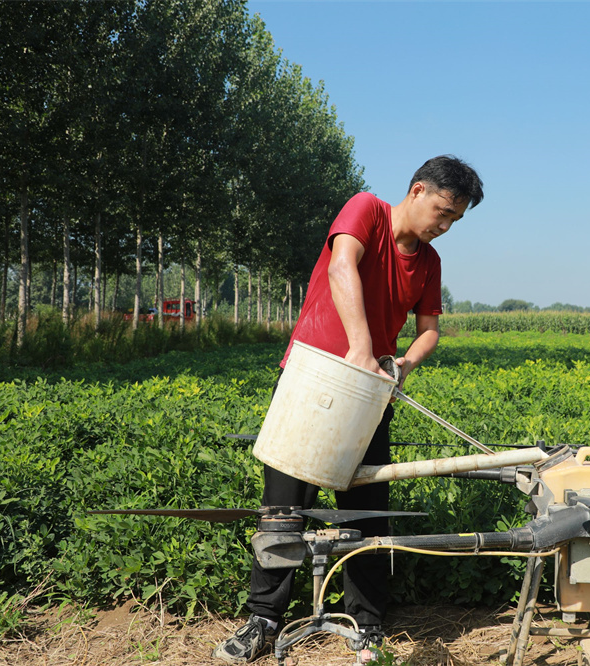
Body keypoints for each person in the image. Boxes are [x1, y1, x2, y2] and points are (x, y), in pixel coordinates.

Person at [214, 155, 484, 664]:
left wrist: (402, 363)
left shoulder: (428, 262)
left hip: (370, 392)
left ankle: (367, 622)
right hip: (314, 379)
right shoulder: (366, 210)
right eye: (443, 212)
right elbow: (342, 265)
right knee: (283, 508)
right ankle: (263, 620)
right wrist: (360, 347)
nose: (444, 227)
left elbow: (430, 331)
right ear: (418, 190)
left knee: (367, 509)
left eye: (455, 221)